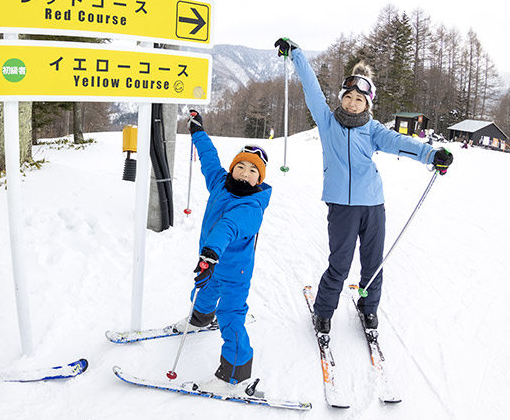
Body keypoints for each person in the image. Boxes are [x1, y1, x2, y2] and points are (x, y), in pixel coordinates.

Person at [274, 38, 453, 333]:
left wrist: (432, 155)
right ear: (342, 98)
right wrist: (296, 54)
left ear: (367, 104)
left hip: (372, 205)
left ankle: (368, 307)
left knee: (373, 264)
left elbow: (399, 143)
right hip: (341, 207)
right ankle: (323, 311)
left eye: (359, 99)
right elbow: (311, 88)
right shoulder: (327, 121)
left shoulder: (372, 130)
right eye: (348, 97)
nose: (352, 102)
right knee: (340, 264)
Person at [176, 110, 272, 394]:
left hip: (234, 271)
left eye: (253, 170)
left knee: (231, 318)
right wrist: (197, 132)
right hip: (212, 262)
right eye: (241, 166)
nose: (245, 173)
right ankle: (200, 319)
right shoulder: (220, 182)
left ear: (259, 179)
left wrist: (211, 251)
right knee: (203, 292)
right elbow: (208, 159)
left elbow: (229, 226)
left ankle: (235, 374)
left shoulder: (252, 207)